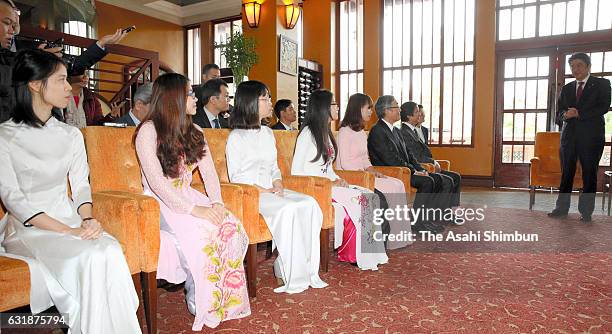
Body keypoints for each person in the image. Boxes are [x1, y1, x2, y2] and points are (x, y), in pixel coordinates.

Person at [0, 49, 140, 333]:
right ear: (35, 84)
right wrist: (68, 232)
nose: (69, 87)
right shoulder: (5, 135)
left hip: (69, 218)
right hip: (28, 229)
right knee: (90, 255)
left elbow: (81, 186)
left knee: (110, 250)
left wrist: (87, 219)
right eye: (61, 80)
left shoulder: (70, 134)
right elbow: (13, 199)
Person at [134, 73, 250, 330]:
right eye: (189, 93)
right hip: (161, 202)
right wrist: (194, 209)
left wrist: (216, 202)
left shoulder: (194, 130)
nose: (195, 97)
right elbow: (157, 182)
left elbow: (208, 172)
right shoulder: (148, 131)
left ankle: (221, 299)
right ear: (173, 98)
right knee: (203, 232)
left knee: (229, 226)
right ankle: (199, 298)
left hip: (187, 194)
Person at [226, 80, 327, 293]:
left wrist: (278, 182)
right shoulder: (236, 137)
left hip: (272, 189)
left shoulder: (267, 133)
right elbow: (236, 177)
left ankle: (301, 269)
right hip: (252, 194)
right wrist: (265, 190)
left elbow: (273, 167)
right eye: (265, 98)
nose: (270, 102)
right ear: (250, 102)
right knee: (289, 208)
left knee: (309, 203)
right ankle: (291, 273)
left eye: (269, 98)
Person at [292, 89, 388, 270]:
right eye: (333, 103)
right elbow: (298, 171)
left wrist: (338, 179)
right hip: (317, 189)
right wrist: (330, 182)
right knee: (363, 200)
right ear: (323, 107)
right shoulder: (307, 134)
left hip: (329, 184)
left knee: (369, 194)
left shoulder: (325, 133)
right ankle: (355, 254)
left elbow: (328, 167)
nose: (337, 107)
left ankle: (360, 251)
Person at [0, 0, 127, 123]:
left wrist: (101, 44)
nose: (12, 30)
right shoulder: (32, 55)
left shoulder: (29, 47)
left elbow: (73, 65)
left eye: (14, 25)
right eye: (6, 23)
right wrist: (36, 63)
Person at [337, 93, 412, 249]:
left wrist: (373, 171)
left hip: (364, 174)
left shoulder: (361, 132)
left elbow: (365, 159)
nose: (371, 111)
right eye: (368, 108)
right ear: (357, 109)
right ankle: (387, 239)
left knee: (397, 184)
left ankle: (398, 237)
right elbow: (345, 163)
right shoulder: (345, 131)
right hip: (351, 176)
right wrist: (366, 174)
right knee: (391, 188)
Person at [368, 95, 450, 233]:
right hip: (391, 172)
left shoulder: (395, 130)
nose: (400, 109)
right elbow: (390, 159)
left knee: (437, 178)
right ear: (387, 110)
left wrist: (419, 168)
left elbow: (409, 155)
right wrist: (413, 171)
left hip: (405, 169)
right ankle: (418, 223)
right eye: (396, 106)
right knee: (428, 182)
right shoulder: (377, 131)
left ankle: (427, 219)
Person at [548, 53, 611, 222]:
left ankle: (586, 212)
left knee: (589, 174)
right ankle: (561, 208)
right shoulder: (567, 88)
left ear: (588, 66)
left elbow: (604, 106)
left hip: (592, 137)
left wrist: (579, 113)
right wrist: (565, 114)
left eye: (579, 65)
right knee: (566, 173)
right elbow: (559, 112)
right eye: (572, 66)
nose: (575, 69)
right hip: (568, 137)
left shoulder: (602, 84)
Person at [399, 102, 461, 207]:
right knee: (448, 181)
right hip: (420, 167)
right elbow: (415, 156)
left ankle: (448, 211)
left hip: (425, 165)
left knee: (455, 177)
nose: (420, 114)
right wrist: (432, 163)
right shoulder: (405, 132)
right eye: (417, 112)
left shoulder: (413, 131)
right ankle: (440, 214)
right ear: (409, 116)